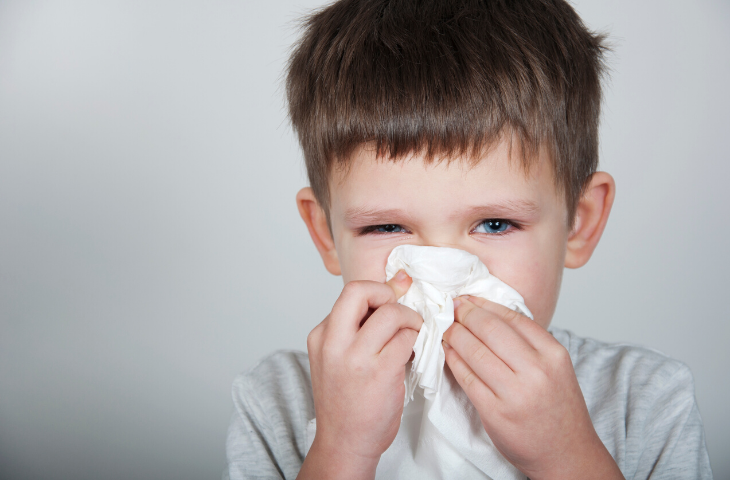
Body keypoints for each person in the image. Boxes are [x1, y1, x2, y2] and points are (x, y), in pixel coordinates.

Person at [224, 0, 712, 478]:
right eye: (388, 228)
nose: (442, 275)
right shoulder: (277, 400)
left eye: (495, 224)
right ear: (326, 234)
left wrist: (564, 455)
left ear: (578, 223)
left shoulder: (645, 399)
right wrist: (343, 448)